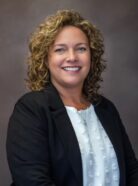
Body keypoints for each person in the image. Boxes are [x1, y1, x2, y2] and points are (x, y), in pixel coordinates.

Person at [6, 9, 138, 186]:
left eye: (81, 49)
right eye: (60, 50)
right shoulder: (31, 109)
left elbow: (132, 172)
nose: (72, 57)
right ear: (45, 59)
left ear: (92, 56)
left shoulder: (106, 108)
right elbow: (32, 180)